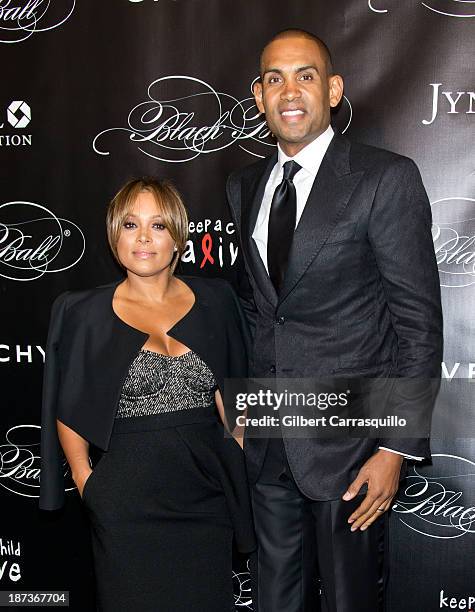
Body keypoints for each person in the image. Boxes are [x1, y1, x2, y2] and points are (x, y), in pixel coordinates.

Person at [226, 29, 443, 611]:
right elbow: (256, 310)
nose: (289, 91)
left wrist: (395, 449)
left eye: (306, 75)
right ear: (258, 95)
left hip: (351, 451)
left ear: (335, 88)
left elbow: (418, 326)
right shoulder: (244, 186)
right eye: (274, 78)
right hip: (268, 446)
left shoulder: (384, 178)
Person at [39, 177, 256, 612]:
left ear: (177, 237)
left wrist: (234, 457)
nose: (143, 238)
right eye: (129, 225)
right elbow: (68, 408)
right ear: (114, 236)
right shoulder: (83, 312)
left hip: (206, 502)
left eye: (158, 225)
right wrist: (89, 485)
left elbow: (237, 397)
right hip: (125, 506)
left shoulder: (216, 299)